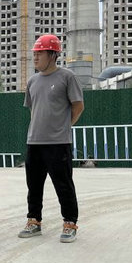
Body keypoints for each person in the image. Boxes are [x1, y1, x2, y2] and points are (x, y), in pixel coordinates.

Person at [18, 34, 84, 243]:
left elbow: (78, 106)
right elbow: (33, 110)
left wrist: (64, 126)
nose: (35, 58)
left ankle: (70, 224)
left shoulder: (67, 77)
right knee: (34, 186)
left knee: (63, 185)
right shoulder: (32, 81)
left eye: (40, 53)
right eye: (35, 54)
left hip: (58, 143)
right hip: (34, 142)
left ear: (53, 54)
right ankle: (34, 221)